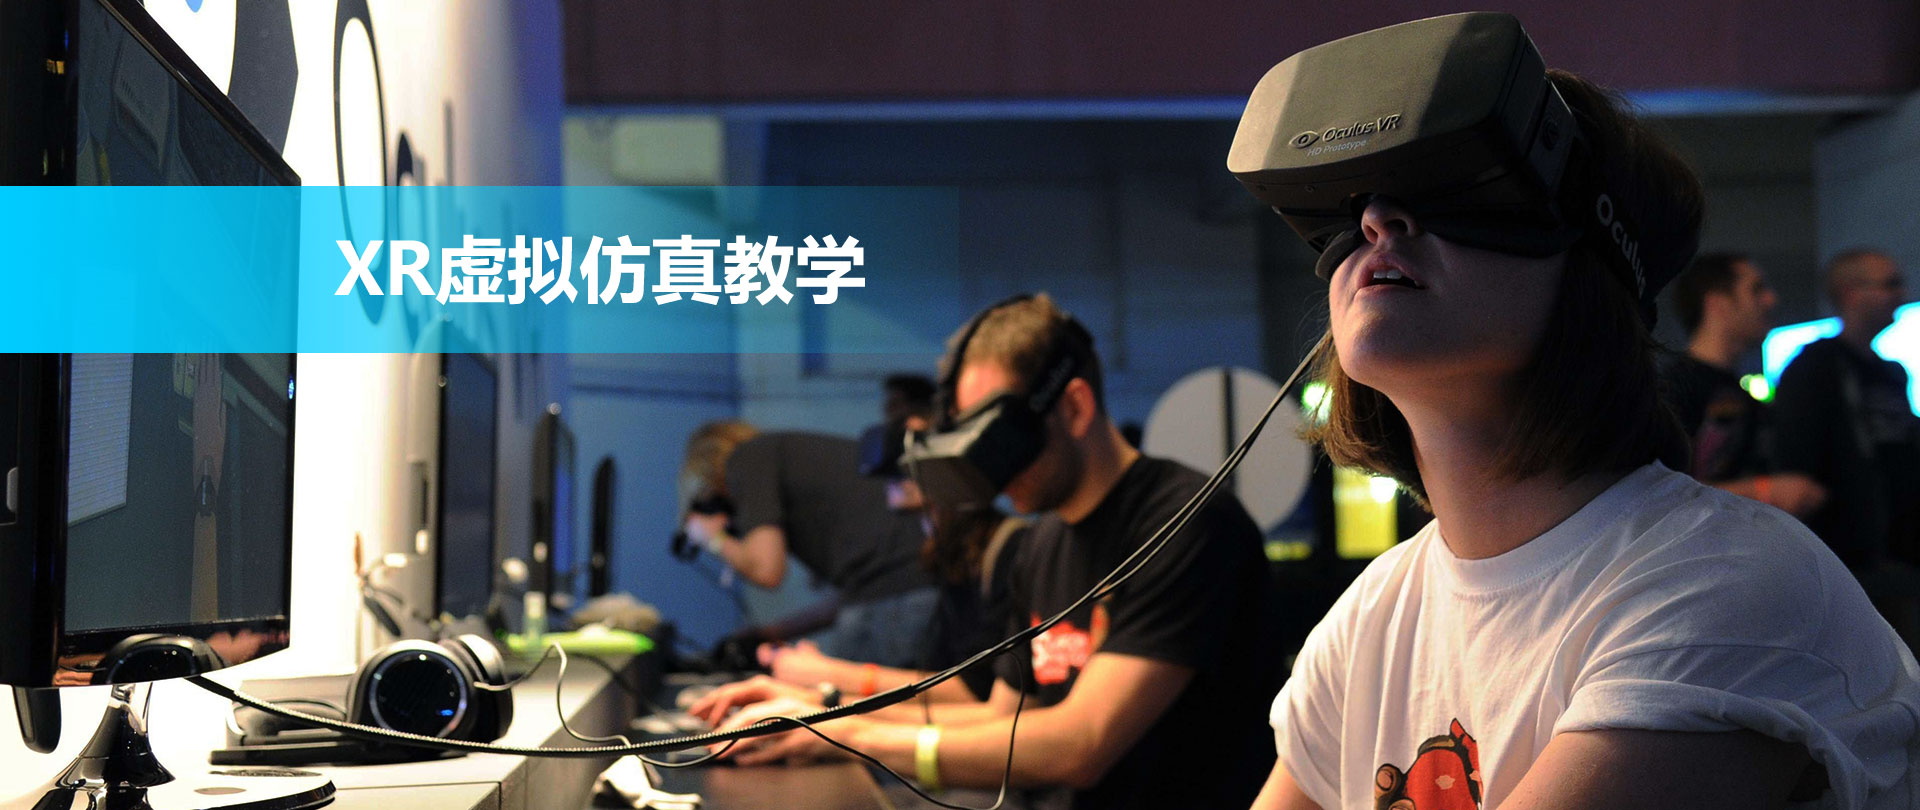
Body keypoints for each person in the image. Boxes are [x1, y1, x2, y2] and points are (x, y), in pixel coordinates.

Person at [1248, 26, 1920, 810]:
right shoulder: (1372, 619)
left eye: (1456, 187)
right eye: (1358, 202)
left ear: (1592, 264)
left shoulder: (1724, 585)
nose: (1377, 221)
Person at [692, 294, 1284, 810]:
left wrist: (846, 735)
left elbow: (1081, 744)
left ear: (1074, 407)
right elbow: (1002, 716)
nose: (987, 473)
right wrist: (819, 711)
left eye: (999, 440)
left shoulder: (1186, 523)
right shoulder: (1042, 543)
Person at [678, 421, 935, 668]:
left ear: (711, 470)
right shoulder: (792, 459)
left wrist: (712, 537)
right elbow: (852, 596)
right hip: (925, 588)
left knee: (854, 698)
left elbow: (767, 571)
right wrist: (771, 632)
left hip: (893, 606)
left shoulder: (746, 459)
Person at [1772, 249, 1920, 647]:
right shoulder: (1814, 367)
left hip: (1896, 560)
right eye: (1889, 284)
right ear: (1851, 293)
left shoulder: (1890, 373)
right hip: (1847, 566)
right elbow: (1796, 470)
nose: (1901, 295)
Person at [1662, 252, 1825, 515]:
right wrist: (1766, 491)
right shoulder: (1672, 389)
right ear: (1718, 304)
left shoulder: (1739, 393)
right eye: (1756, 289)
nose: (1771, 299)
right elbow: (1663, 495)